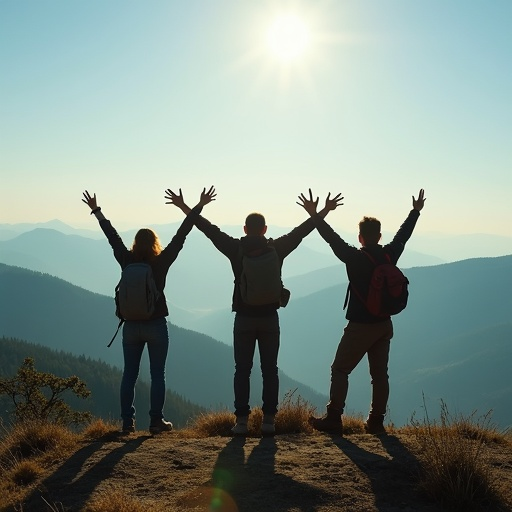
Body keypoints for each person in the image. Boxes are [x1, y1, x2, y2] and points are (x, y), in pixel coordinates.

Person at [165, 188, 343, 436]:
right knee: (270, 369)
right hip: (270, 318)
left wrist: (191, 207)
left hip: (244, 319)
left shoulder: (235, 249)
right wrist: (319, 212)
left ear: (245, 229)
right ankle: (269, 420)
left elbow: (208, 230)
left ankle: (241, 422)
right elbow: (301, 232)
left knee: (242, 370)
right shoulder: (277, 248)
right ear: (265, 229)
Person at [82, 188, 214, 434]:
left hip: (130, 326)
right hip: (155, 325)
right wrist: (197, 206)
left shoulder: (126, 259)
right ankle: (156, 421)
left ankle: (127, 423)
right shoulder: (160, 263)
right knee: (157, 375)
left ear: (135, 243)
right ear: (154, 243)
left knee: (129, 375)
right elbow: (181, 235)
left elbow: (112, 237)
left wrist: (97, 211)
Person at [298, 188, 426, 435]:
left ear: (360, 238)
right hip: (384, 324)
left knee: (340, 369)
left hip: (360, 326)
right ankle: (376, 421)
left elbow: (330, 237)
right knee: (379, 376)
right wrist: (415, 212)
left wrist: (315, 215)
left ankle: (334, 417)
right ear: (379, 236)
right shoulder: (390, 254)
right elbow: (403, 235)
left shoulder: (353, 257)